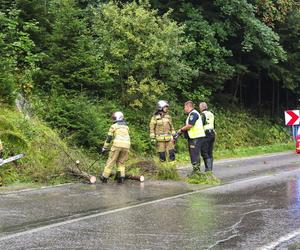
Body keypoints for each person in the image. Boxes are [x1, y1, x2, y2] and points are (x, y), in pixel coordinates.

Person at [100, 111, 130, 184]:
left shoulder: (114, 126)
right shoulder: (126, 127)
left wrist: (104, 147)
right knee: (121, 163)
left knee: (111, 161)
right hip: (127, 146)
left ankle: (104, 178)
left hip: (117, 145)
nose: (113, 119)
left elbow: (109, 138)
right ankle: (121, 179)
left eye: (114, 117)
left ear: (117, 118)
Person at [177, 101, 206, 174]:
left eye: (184, 107)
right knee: (194, 153)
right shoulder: (192, 113)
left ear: (188, 106)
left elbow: (190, 125)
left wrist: (181, 130)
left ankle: (196, 171)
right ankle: (196, 170)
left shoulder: (193, 114)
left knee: (194, 154)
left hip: (196, 137)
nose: (184, 109)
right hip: (194, 137)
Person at [199, 102, 215, 172]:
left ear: (202, 107)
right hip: (212, 133)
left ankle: (208, 169)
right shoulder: (211, 114)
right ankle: (210, 169)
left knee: (204, 151)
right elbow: (214, 124)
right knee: (210, 152)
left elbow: (200, 125)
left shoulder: (202, 114)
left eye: (199, 107)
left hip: (206, 134)